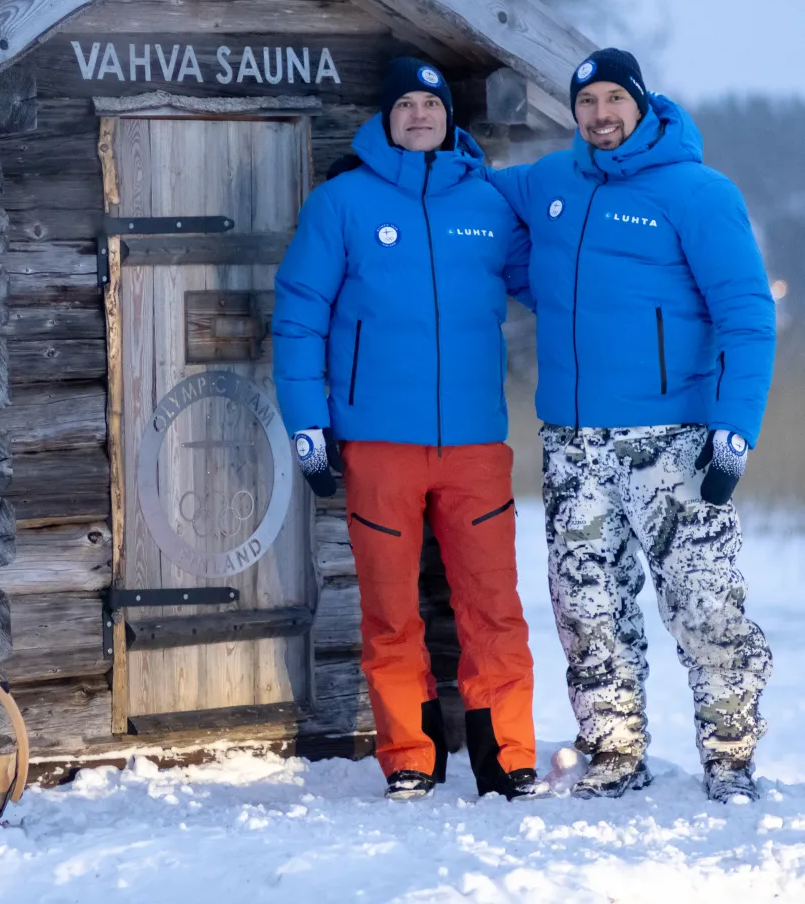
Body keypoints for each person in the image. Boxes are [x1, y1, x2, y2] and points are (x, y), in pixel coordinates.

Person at [491, 47, 776, 803]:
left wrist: (734, 430)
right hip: (573, 445)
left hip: (673, 443)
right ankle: (615, 754)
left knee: (704, 604)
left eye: (614, 99)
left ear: (642, 104)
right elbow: (475, 194)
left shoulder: (698, 193)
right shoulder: (552, 181)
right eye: (587, 103)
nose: (600, 115)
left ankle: (729, 758)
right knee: (588, 605)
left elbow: (748, 315)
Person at [272, 56, 543, 802]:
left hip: (475, 445)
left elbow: (551, 284)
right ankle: (411, 757)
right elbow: (299, 317)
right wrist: (309, 426)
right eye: (406, 106)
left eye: (432, 104)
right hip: (378, 446)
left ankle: (508, 755)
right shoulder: (344, 205)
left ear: (449, 117)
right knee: (392, 610)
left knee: (493, 605)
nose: (420, 115)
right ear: (385, 119)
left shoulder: (488, 203)